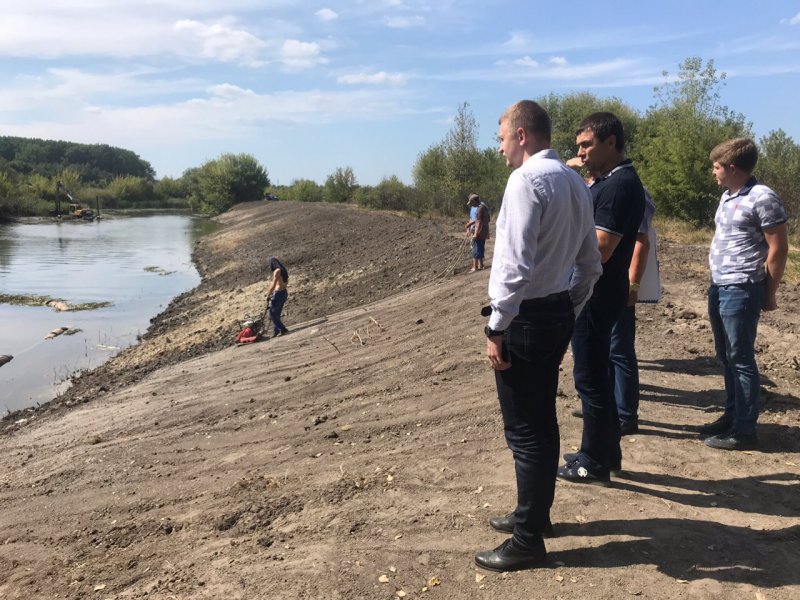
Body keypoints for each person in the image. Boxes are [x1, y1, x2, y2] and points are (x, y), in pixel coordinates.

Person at [475, 100, 601, 572]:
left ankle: (528, 539)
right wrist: (571, 305)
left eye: (502, 135)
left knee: (525, 432)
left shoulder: (525, 181)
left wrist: (497, 325)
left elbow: (513, 265)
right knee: (541, 422)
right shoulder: (574, 181)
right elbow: (590, 261)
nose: (501, 145)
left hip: (526, 318)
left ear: (522, 135)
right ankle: (535, 517)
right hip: (556, 313)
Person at [557, 112, 645, 487]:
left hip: (596, 293)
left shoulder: (620, 185)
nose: (581, 152)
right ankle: (607, 452)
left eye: (587, 145)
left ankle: (592, 460)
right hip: (599, 291)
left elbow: (602, 247)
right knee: (598, 375)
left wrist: (558, 246)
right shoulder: (606, 182)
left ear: (612, 142)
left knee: (590, 378)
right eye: (579, 146)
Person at [699, 138, 788, 450]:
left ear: (732, 168)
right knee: (726, 357)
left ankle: (745, 431)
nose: (713, 172)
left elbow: (778, 246)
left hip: (742, 287)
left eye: (717, 167)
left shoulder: (762, 197)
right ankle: (732, 416)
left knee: (741, 358)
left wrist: (770, 291)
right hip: (719, 285)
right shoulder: (728, 196)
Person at [565, 158, 662, 436]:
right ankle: (605, 408)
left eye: (586, 151)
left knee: (619, 350)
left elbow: (641, 242)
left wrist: (634, 285)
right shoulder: (600, 186)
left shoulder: (629, 189)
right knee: (602, 350)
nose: (582, 161)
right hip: (597, 284)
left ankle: (625, 415)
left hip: (616, 284)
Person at [465, 193, 490, 272]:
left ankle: (475, 267)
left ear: (475, 201)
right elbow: (471, 218)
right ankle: (481, 265)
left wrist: (475, 233)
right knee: (479, 247)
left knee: (476, 248)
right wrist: (468, 229)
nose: (471, 205)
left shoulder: (480, 208)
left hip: (479, 231)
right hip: (479, 230)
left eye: (471, 202)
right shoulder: (476, 207)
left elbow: (478, 222)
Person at [266, 256, 290, 337]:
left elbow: (273, 284)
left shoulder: (277, 271)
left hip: (278, 294)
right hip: (284, 292)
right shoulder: (283, 270)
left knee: (272, 314)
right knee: (277, 314)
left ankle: (283, 329)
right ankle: (276, 330)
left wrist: (268, 295)